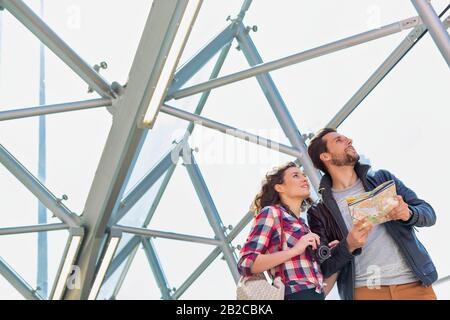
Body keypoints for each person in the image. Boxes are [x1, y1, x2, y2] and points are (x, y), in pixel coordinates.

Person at [306, 128, 438, 300]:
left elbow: (429, 214)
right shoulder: (319, 212)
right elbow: (324, 266)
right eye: (339, 140)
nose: (349, 140)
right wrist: (349, 245)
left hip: (414, 285)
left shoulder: (382, 178)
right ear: (325, 156)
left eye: (347, 138)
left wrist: (409, 213)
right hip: (365, 292)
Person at [237, 162, 338, 300]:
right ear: (279, 187)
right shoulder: (271, 212)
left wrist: (335, 255)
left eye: (304, 175)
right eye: (296, 175)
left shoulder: (303, 226)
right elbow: (246, 263)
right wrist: (294, 250)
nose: (304, 179)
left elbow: (319, 289)